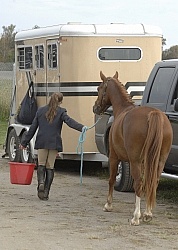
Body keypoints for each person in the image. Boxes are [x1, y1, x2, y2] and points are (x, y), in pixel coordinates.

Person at [20, 92, 85, 201]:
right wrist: (82, 128)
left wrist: (24, 142)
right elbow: (70, 122)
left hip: (42, 141)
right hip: (54, 143)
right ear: (60, 101)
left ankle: (40, 182)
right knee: (50, 167)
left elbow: (33, 128)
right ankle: (46, 192)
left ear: (50, 99)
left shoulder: (40, 111)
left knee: (41, 164)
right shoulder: (61, 112)